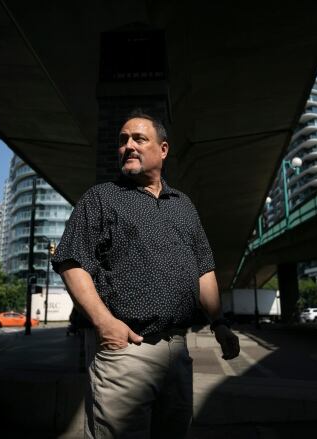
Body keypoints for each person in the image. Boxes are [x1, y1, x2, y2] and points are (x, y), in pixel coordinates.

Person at [52, 109, 240, 438]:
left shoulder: (184, 204)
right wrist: (104, 323)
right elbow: (71, 261)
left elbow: (204, 270)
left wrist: (220, 323)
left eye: (139, 139)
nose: (129, 146)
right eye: (123, 140)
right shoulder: (101, 198)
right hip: (126, 352)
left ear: (163, 149)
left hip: (177, 352)